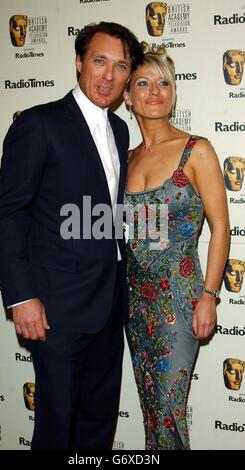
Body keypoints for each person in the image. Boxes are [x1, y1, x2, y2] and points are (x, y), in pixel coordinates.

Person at [0, 22, 143, 450]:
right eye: (99, 61)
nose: (109, 76)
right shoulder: (38, 124)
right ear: (79, 62)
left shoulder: (119, 130)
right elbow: (8, 215)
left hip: (110, 304)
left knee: (98, 425)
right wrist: (21, 297)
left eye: (120, 66)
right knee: (57, 428)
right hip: (56, 308)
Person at [123, 44, 230, 450]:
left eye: (164, 83)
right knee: (153, 412)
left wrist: (209, 297)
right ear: (127, 95)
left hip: (180, 301)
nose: (155, 91)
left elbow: (220, 228)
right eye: (143, 83)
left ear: (173, 93)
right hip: (133, 304)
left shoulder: (196, 150)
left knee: (168, 412)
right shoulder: (125, 158)